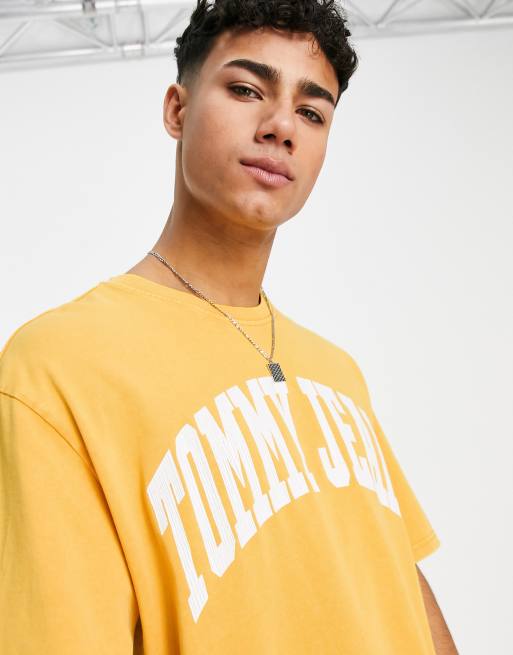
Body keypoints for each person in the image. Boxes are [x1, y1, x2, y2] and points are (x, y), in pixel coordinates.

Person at [0, 1, 458, 653]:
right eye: (246, 90)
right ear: (177, 110)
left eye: (312, 112)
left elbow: (403, 591)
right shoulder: (56, 366)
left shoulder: (338, 374)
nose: (281, 127)